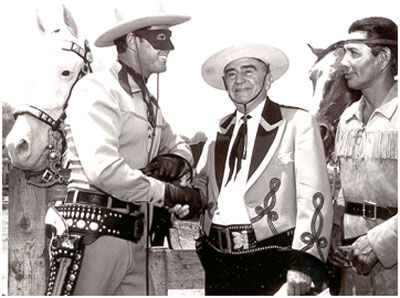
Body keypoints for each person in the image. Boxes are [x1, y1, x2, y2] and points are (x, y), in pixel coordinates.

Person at [45, 4, 203, 296]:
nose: (170, 46)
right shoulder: (96, 88)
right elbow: (103, 170)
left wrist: (175, 161)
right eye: (160, 38)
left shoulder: (147, 103)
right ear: (131, 40)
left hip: (134, 236)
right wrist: (167, 193)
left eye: (168, 37)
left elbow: (180, 145)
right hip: (94, 235)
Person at [192, 43, 333, 295]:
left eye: (249, 70)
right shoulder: (218, 130)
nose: (239, 80)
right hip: (217, 260)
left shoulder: (297, 123)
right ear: (224, 83)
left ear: (268, 79)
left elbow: (314, 197)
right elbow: (203, 189)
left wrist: (304, 261)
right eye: (232, 73)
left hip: (273, 259)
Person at [329, 17, 398, 295]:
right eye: (345, 52)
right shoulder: (347, 117)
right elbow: (343, 186)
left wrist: (381, 242)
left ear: (382, 58)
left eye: (354, 53)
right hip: (351, 262)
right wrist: (334, 227)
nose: (343, 63)